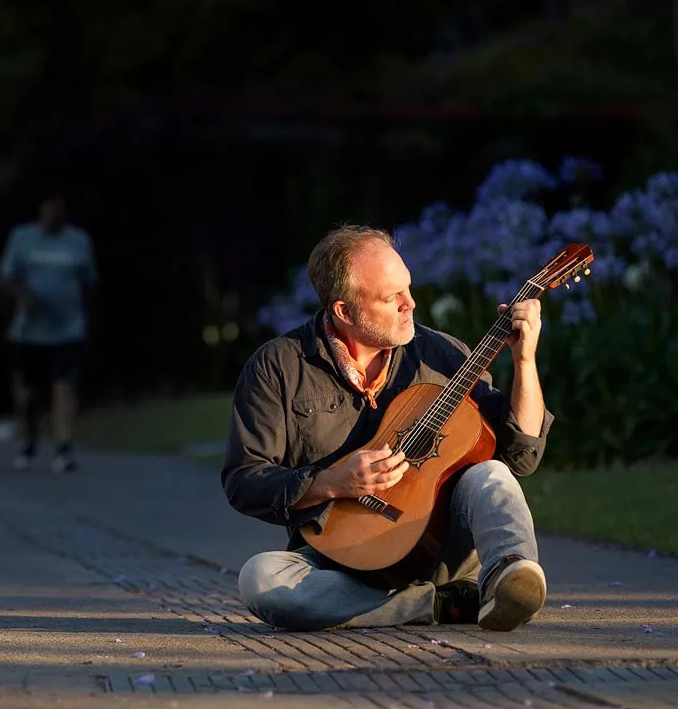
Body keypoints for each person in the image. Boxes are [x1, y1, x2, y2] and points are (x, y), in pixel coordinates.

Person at [222, 225, 554, 632]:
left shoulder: (442, 354)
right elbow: (244, 480)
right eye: (390, 297)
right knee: (260, 579)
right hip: (341, 559)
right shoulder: (279, 367)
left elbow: (521, 455)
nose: (410, 304)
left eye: (408, 289)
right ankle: (440, 605)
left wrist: (524, 362)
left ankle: (510, 575)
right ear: (344, 311)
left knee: (492, 474)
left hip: (442, 550)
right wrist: (331, 482)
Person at [0, 193, 96, 472]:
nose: (53, 213)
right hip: (29, 331)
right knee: (28, 392)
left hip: (68, 328)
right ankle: (29, 439)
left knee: (64, 386)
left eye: (59, 208)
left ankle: (64, 447)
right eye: (49, 208)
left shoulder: (78, 241)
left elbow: (89, 282)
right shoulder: (22, 238)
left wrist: (84, 314)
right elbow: (5, 278)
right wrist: (22, 298)